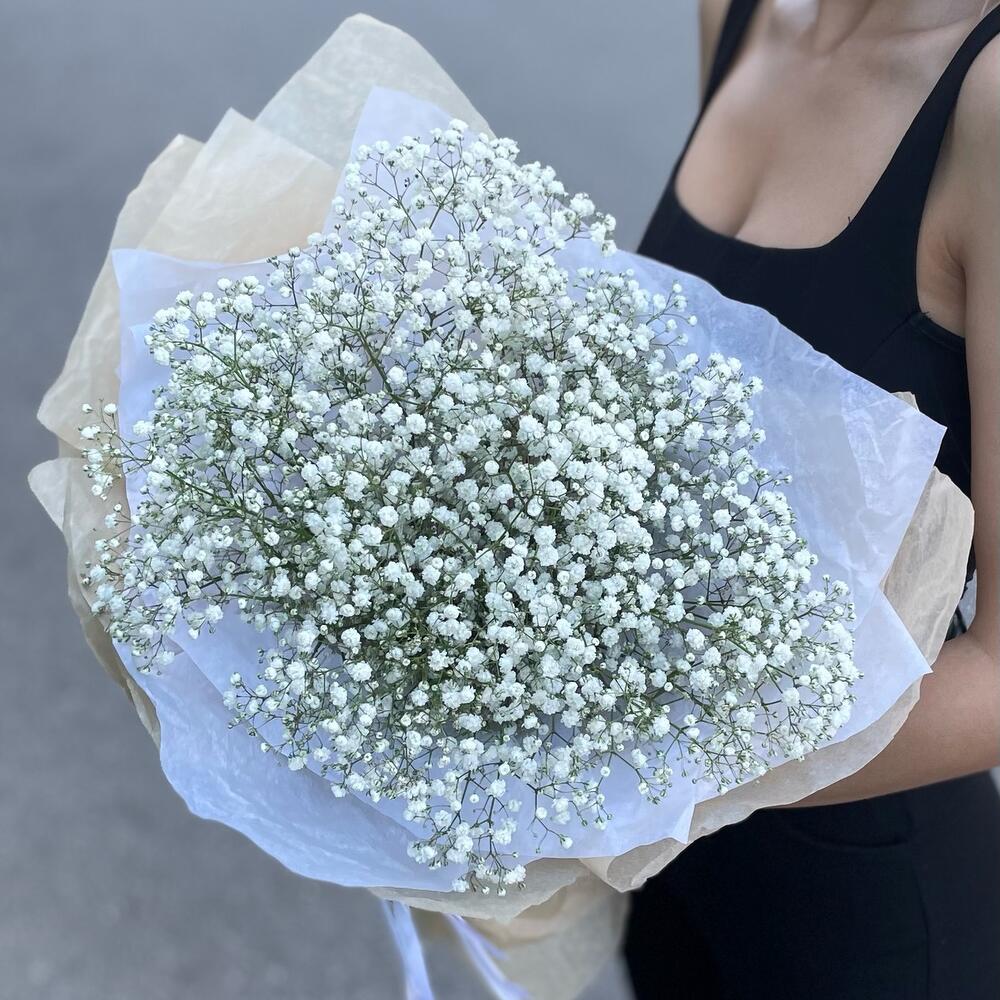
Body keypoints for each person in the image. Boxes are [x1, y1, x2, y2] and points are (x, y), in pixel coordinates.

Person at [624, 2, 1000, 997]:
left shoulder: (990, 104)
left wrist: (634, 769)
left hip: (865, 907)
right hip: (663, 866)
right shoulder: (740, 13)